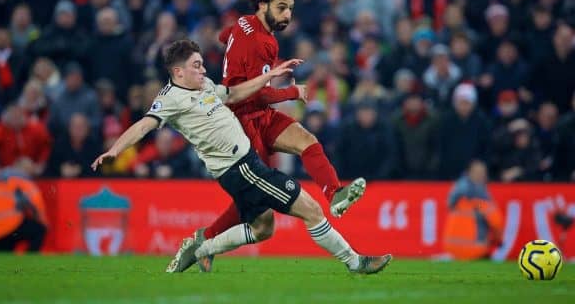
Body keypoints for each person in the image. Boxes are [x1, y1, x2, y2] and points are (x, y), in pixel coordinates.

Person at [91, 40, 391, 274]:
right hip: (241, 169)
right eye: (196, 66)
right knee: (311, 210)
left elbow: (233, 94)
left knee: (263, 228)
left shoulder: (205, 86)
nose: (203, 70)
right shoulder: (170, 99)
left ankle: (202, 247)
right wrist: (116, 149)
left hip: (244, 166)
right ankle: (355, 262)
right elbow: (145, 124)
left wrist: (269, 77)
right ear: (178, 71)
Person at [194, 0, 366, 266]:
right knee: (256, 207)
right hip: (242, 123)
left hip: (259, 115)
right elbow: (259, 95)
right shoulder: (264, 43)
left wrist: (233, 55)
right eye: (282, 7)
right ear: (264, 4)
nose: (287, 15)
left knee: (307, 142)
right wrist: (292, 92)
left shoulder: (243, 22)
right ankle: (205, 239)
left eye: (290, 8)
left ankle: (335, 193)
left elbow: (224, 36)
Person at [0, 158, 48, 252]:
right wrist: (45, 224)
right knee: (39, 230)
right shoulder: (24, 182)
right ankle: (31, 261)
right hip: (8, 227)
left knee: (4, 262)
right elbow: (37, 208)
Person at [442, 159, 503, 260]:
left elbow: (449, 203)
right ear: (469, 173)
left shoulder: (458, 195)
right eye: (478, 172)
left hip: (452, 250)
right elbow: (496, 222)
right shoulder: (480, 198)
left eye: (483, 172)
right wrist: (498, 241)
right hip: (476, 250)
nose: (481, 175)